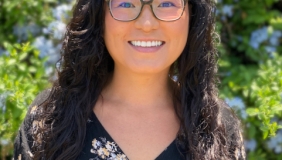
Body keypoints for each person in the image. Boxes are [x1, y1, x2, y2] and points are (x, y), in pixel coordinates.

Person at [13, 0, 246, 159]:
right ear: (98, 14)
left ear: (193, 15)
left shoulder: (220, 130)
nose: (146, 24)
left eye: (166, 3)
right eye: (125, 2)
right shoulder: (49, 121)